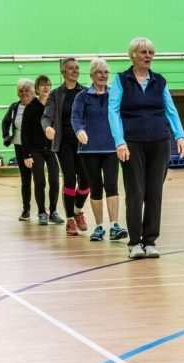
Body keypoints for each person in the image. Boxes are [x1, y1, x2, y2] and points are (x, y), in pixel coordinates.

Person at [108, 38, 184, 259]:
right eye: (143, 52)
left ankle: (150, 241)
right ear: (132, 55)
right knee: (136, 192)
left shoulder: (159, 81)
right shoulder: (121, 80)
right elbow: (113, 111)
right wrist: (119, 141)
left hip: (159, 141)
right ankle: (134, 243)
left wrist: (179, 136)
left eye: (151, 52)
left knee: (154, 192)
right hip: (131, 143)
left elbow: (170, 110)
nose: (148, 55)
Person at [71, 59, 128, 242]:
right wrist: (79, 130)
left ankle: (114, 226)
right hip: (89, 150)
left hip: (111, 149)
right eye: (99, 72)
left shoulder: (114, 95)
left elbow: (122, 118)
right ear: (92, 75)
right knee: (95, 188)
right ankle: (99, 227)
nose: (103, 76)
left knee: (111, 186)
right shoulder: (82, 96)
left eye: (106, 72)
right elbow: (76, 118)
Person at [41, 58, 90, 236]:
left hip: (83, 142)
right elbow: (46, 116)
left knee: (86, 181)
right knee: (70, 179)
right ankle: (69, 219)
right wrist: (47, 127)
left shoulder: (85, 92)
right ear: (63, 72)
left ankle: (77, 211)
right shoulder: (56, 94)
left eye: (77, 68)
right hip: (64, 143)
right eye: (70, 68)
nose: (74, 71)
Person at [21, 75, 64, 225]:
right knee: (39, 181)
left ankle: (53, 211)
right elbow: (24, 133)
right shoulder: (31, 107)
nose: (46, 87)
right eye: (42, 85)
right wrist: (26, 154)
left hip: (51, 149)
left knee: (54, 180)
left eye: (48, 84)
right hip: (35, 150)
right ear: (37, 89)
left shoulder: (54, 105)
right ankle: (41, 212)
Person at [2, 79, 35, 221]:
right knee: (25, 179)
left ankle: (44, 211)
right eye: (21, 91)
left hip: (36, 147)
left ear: (34, 92)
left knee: (39, 179)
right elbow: (5, 122)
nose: (24, 93)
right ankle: (26, 210)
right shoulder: (15, 107)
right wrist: (6, 136)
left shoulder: (38, 106)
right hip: (19, 145)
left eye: (27, 90)